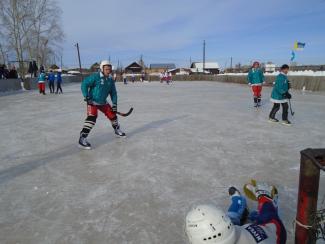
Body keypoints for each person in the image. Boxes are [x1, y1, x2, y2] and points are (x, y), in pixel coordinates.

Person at [186, 181, 287, 244]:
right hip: (248, 233)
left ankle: (238, 201)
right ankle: (239, 201)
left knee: (232, 218)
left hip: (237, 232)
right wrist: (264, 198)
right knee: (263, 218)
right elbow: (276, 226)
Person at [78, 60, 126, 150]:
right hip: (92, 101)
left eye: (109, 69)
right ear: (102, 69)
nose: (108, 70)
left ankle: (117, 130)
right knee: (92, 118)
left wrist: (114, 104)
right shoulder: (95, 77)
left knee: (112, 115)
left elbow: (113, 93)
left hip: (103, 102)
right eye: (106, 69)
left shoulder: (110, 80)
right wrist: (87, 97)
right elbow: (84, 84)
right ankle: (82, 138)